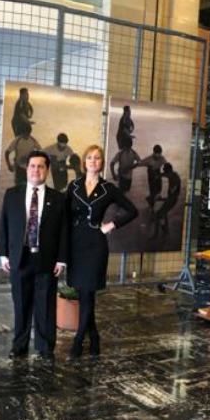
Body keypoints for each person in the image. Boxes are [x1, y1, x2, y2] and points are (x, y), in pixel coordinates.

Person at [66, 145, 138, 358]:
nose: (93, 161)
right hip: (75, 245)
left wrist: (111, 225)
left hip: (95, 246)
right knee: (83, 293)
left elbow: (132, 211)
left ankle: (79, 340)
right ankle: (94, 336)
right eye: (89, 157)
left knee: (88, 291)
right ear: (84, 161)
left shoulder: (109, 188)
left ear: (102, 163)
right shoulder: (74, 186)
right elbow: (65, 216)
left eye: (97, 158)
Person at [0, 151, 67, 363]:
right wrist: (3, 255)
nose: (36, 170)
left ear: (47, 170)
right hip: (19, 258)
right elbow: (4, 226)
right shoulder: (12, 194)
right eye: (32, 166)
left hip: (46, 260)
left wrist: (61, 259)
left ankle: (45, 348)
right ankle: (19, 346)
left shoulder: (58, 198)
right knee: (21, 304)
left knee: (45, 305)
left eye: (41, 166)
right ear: (26, 169)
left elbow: (64, 231)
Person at [152, 163, 181, 237]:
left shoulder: (174, 178)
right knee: (163, 213)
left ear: (168, 171)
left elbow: (173, 192)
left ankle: (157, 233)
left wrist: (164, 199)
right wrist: (159, 175)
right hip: (171, 199)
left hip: (171, 200)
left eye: (164, 170)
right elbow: (164, 175)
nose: (164, 172)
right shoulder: (173, 174)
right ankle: (165, 228)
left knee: (158, 214)